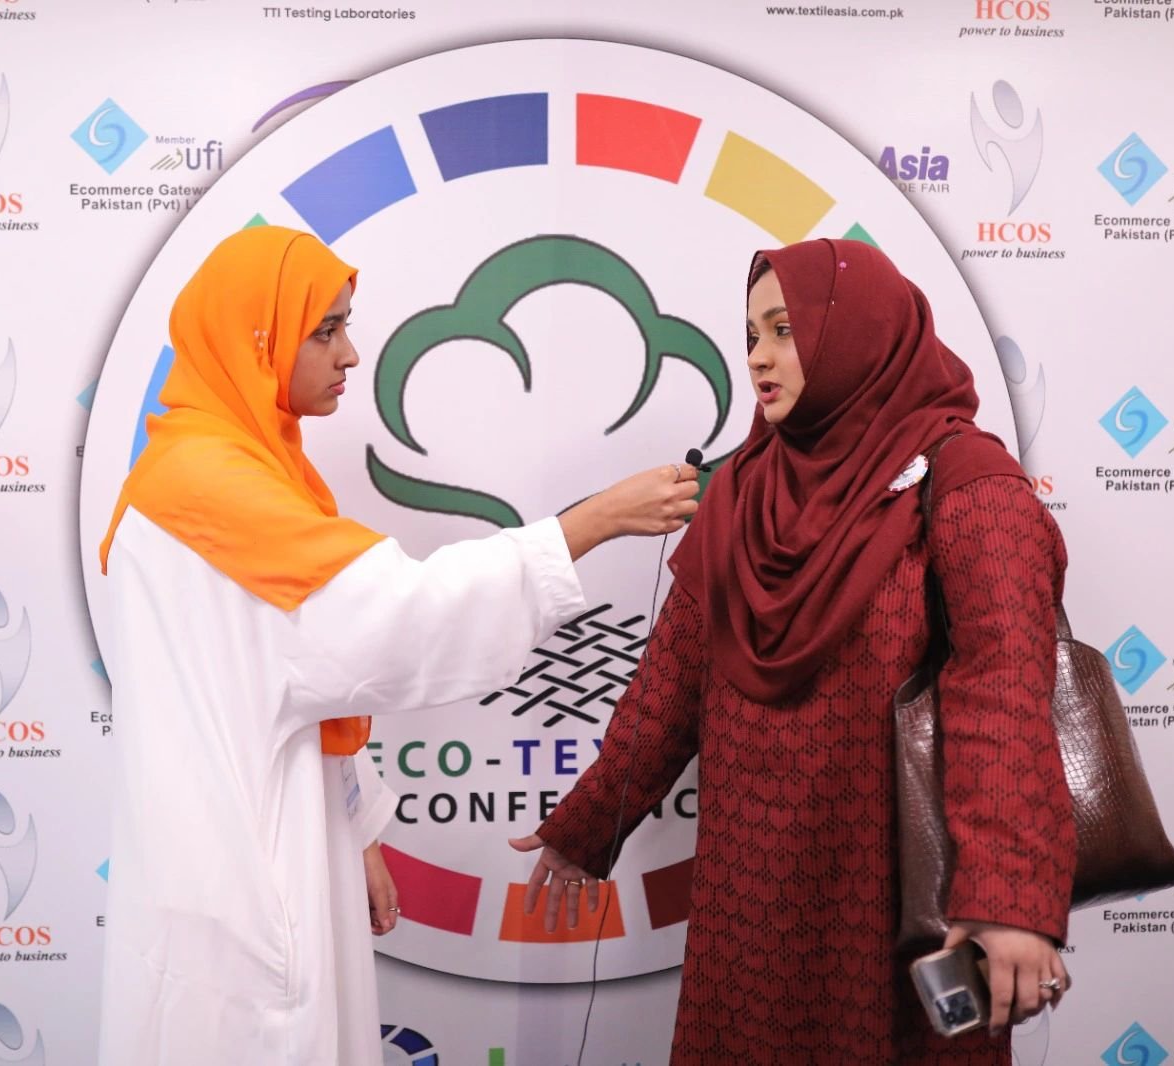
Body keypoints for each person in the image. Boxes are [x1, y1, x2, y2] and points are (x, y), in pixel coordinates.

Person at [94, 225, 699, 1066]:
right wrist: (589, 524)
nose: (349, 354)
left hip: (228, 868)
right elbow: (402, 620)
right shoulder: (217, 495)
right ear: (258, 337)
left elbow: (294, 678)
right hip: (248, 901)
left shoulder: (197, 473)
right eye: (325, 330)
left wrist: (357, 829)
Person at [511, 238, 1076, 1063]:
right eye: (751, 335)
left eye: (785, 329)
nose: (759, 358)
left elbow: (1005, 699)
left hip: (897, 901)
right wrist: (587, 824)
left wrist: (1007, 896)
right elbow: (671, 683)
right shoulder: (743, 490)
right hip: (750, 907)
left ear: (860, 333)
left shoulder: (970, 490)